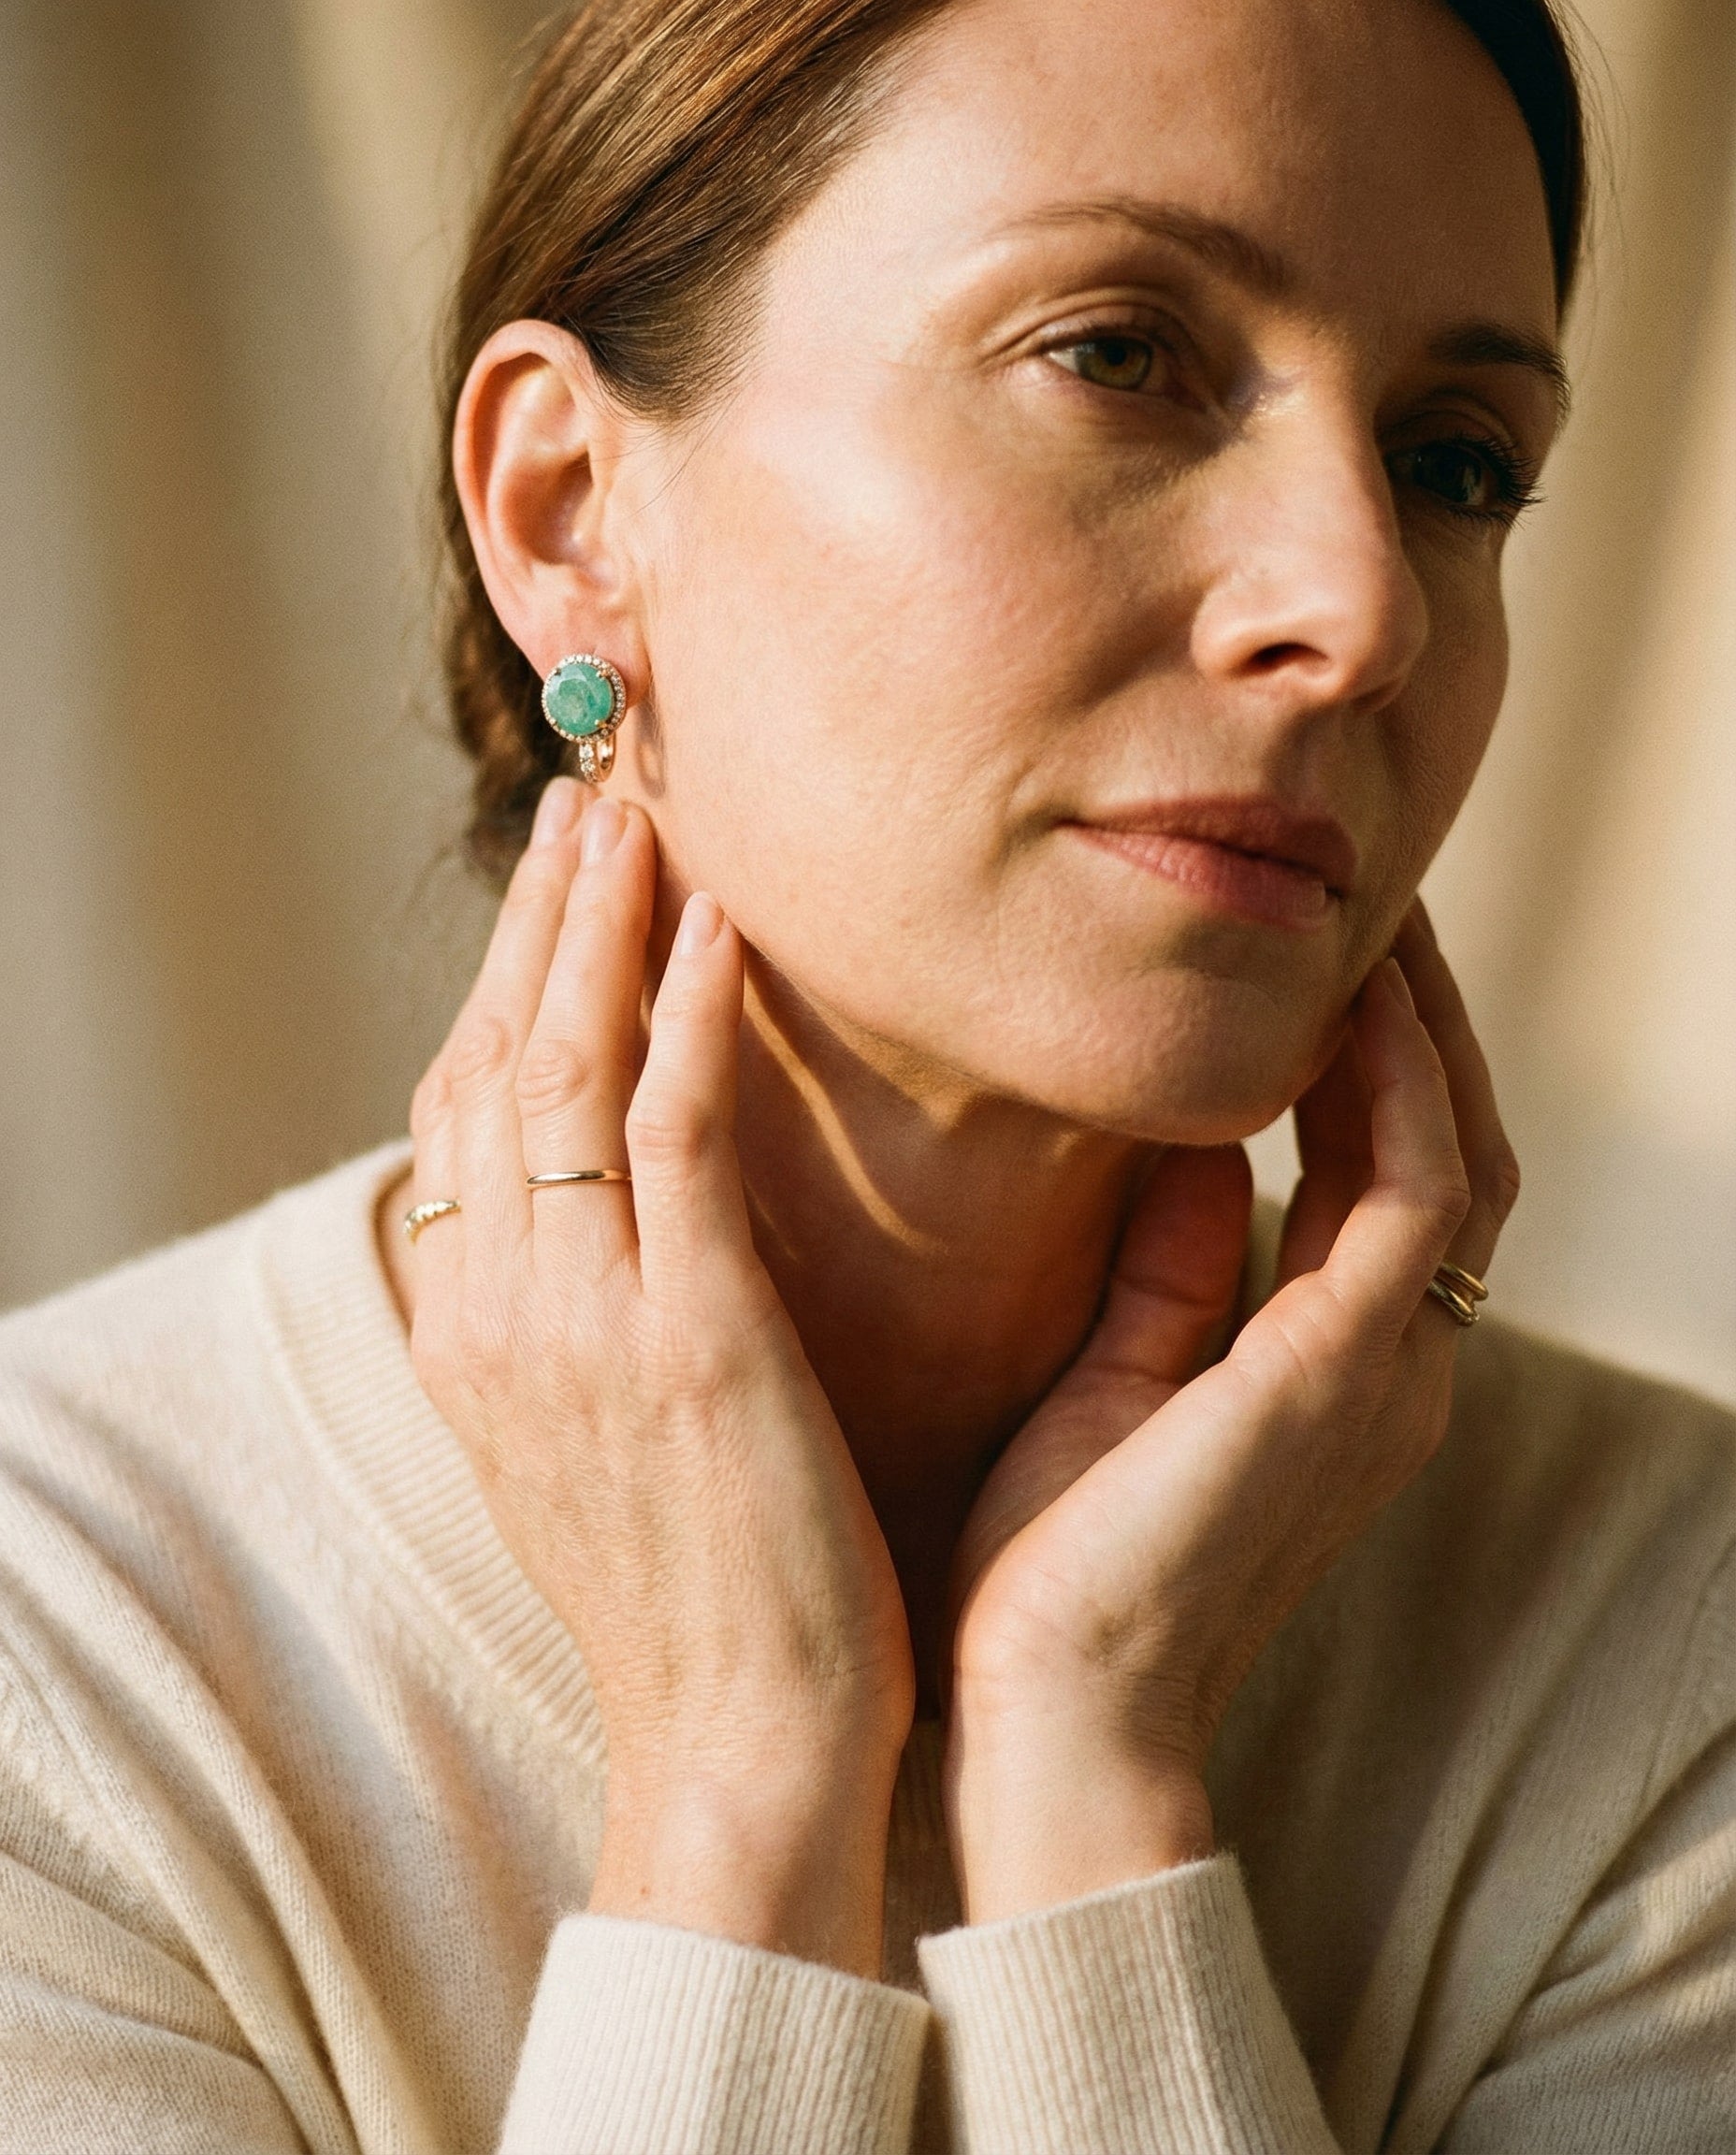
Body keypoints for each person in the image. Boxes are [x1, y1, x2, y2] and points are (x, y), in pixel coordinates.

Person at [3, 0, 1734, 2147]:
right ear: (566, 511)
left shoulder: (1673, 1649)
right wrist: (742, 1772)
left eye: (1455, 459)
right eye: (1117, 353)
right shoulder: (53, 1651)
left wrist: (1091, 1764)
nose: (1358, 602)